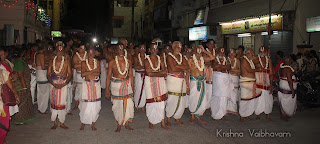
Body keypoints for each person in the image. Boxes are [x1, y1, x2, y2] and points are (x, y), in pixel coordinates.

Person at [106, 43, 134, 133]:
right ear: (116, 51)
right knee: (117, 106)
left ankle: (126, 124)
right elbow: (108, 76)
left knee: (128, 104)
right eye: (119, 49)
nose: (121, 50)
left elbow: (131, 75)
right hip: (116, 85)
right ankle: (118, 125)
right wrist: (107, 89)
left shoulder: (128, 61)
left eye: (122, 49)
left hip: (126, 84)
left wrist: (133, 88)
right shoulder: (112, 62)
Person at [47, 41, 72, 130]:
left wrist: (64, 83)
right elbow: (48, 74)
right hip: (53, 84)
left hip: (63, 84)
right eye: (58, 49)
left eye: (61, 49)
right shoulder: (51, 61)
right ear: (56, 50)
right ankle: (55, 122)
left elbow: (70, 74)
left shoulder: (66, 61)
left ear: (63, 51)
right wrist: (53, 83)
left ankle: (62, 122)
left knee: (62, 103)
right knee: (53, 103)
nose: (59, 51)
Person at [144, 44, 169, 130]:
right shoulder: (146, 60)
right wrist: (160, 74)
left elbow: (165, 72)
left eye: (156, 49)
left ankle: (162, 123)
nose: (154, 50)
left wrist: (154, 74)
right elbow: (148, 73)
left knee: (161, 103)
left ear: (158, 50)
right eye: (152, 49)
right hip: (149, 83)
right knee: (151, 102)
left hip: (160, 82)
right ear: (149, 50)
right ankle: (151, 122)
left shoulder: (161, 59)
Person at [188, 45, 215, 124]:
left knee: (203, 99)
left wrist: (204, 51)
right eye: (198, 52)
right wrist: (187, 86)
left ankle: (198, 116)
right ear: (194, 52)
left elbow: (213, 57)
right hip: (194, 81)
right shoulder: (191, 59)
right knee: (193, 98)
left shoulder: (203, 59)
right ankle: (192, 116)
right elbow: (189, 71)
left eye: (200, 52)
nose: (199, 54)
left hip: (203, 81)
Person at [166, 41, 189, 126]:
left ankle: (177, 118)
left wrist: (177, 66)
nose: (179, 49)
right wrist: (182, 67)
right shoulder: (169, 56)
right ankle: (168, 118)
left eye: (180, 47)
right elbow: (172, 69)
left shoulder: (182, 57)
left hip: (182, 81)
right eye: (177, 47)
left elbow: (187, 67)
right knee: (172, 99)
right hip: (172, 80)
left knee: (182, 100)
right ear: (172, 47)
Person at [0, 48, 20, 143]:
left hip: (2, 102)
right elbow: (11, 87)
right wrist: (16, 96)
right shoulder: (3, 72)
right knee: (4, 123)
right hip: (2, 103)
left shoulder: (3, 71)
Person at [79, 47, 101, 131]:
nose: (91, 55)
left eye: (92, 53)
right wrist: (93, 71)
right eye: (89, 53)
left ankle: (93, 123)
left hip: (96, 84)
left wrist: (88, 72)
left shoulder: (97, 62)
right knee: (85, 105)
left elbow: (98, 72)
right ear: (87, 54)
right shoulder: (84, 62)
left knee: (95, 105)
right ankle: (83, 122)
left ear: (95, 54)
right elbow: (82, 74)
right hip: (87, 85)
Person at [12, 49, 35, 124]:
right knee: (22, 103)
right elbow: (21, 75)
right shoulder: (19, 63)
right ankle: (20, 120)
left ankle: (22, 118)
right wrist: (24, 87)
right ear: (21, 54)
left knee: (23, 103)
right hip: (20, 86)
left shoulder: (15, 61)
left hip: (20, 85)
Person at [239, 49, 261, 122]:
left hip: (251, 83)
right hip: (245, 83)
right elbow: (249, 70)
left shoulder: (250, 60)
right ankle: (242, 116)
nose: (253, 55)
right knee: (244, 100)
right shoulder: (244, 60)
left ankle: (247, 115)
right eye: (252, 54)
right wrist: (258, 69)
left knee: (250, 99)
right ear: (248, 54)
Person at [211, 48, 231, 121]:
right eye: (220, 53)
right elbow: (215, 67)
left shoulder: (226, 59)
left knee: (224, 97)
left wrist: (220, 67)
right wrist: (223, 67)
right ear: (217, 53)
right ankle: (215, 114)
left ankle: (222, 114)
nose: (222, 54)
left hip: (225, 79)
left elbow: (229, 67)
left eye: (223, 53)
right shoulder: (215, 59)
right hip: (218, 79)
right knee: (216, 97)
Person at [254, 46, 274, 121]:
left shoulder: (268, 60)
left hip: (267, 83)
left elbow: (271, 73)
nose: (262, 53)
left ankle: (268, 115)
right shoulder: (255, 59)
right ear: (259, 52)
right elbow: (251, 69)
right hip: (258, 83)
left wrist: (271, 84)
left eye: (264, 52)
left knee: (268, 99)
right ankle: (258, 115)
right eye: (261, 52)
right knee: (258, 99)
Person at [278, 55, 298, 121]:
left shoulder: (281, 67)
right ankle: (285, 116)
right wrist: (292, 90)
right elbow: (289, 80)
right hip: (286, 86)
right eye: (291, 60)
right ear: (288, 61)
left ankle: (282, 115)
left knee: (283, 100)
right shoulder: (288, 69)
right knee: (287, 101)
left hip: (281, 84)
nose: (292, 61)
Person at [72, 43, 88, 110]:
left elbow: (89, 65)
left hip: (86, 74)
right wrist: (84, 64)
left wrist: (80, 64)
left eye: (84, 49)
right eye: (81, 48)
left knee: (85, 89)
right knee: (78, 89)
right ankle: (77, 104)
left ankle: (84, 104)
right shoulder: (76, 56)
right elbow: (75, 66)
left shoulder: (87, 55)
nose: (82, 50)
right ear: (78, 49)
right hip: (78, 74)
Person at [36, 46, 50, 114]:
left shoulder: (36, 54)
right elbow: (43, 67)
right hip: (42, 74)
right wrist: (49, 66)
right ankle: (43, 109)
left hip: (39, 74)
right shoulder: (41, 55)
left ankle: (40, 108)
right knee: (44, 93)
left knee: (40, 93)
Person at [133, 44, 147, 112]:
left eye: (144, 48)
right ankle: (137, 106)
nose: (142, 49)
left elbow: (149, 67)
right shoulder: (136, 57)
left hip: (146, 75)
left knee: (144, 91)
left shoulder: (147, 57)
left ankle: (143, 106)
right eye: (141, 48)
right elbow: (135, 67)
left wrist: (143, 68)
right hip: (138, 75)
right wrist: (144, 67)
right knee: (137, 89)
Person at [227, 49, 240, 114]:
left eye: (233, 53)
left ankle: (233, 109)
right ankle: (227, 108)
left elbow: (240, 70)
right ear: (229, 54)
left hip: (235, 79)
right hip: (228, 78)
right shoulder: (226, 60)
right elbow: (226, 70)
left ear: (235, 54)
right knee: (228, 93)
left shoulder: (237, 61)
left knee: (235, 93)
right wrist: (234, 71)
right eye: (230, 53)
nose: (232, 54)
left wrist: (233, 71)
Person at [204, 39, 216, 111]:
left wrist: (212, 62)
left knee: (213, 90)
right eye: (210, 44)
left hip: (214, 72)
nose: (212, 45)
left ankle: (211, 106)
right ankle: (205, 106)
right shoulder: (204, 52)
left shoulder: (215, 51)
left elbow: (215, 62)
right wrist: (212, 62)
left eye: (213, 44)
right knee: (207, 90)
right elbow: (206, 62)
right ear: (207, 45)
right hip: (207, 72)